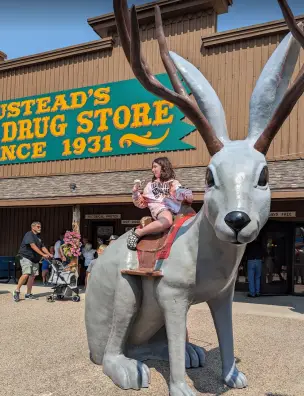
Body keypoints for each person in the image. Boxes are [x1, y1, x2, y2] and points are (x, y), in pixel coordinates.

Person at [127, 156, 193, 250]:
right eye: (152, 167)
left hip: (177, 210)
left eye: (155, 167)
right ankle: (139, 232)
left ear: (163, 167)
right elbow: (141, 203)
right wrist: (135, 193)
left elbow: (178, 192)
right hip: (161, 210)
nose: (152, 170)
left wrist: (187, 195)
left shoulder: (173, 182)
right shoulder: (150, 186)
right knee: (167, 220)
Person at [13, 221, 52, 302]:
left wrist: (49, 253)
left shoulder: (39, 237)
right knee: (26, 274)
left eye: (40, 226)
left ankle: (28, 294)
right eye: (38, 226)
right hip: (26, 257)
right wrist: (43, 255)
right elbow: (32, 245)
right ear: (33, 227)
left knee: (32, 276)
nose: (40, 228)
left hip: (35, 259)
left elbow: (42, 247)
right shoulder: (29, 234)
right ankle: (16, 291)